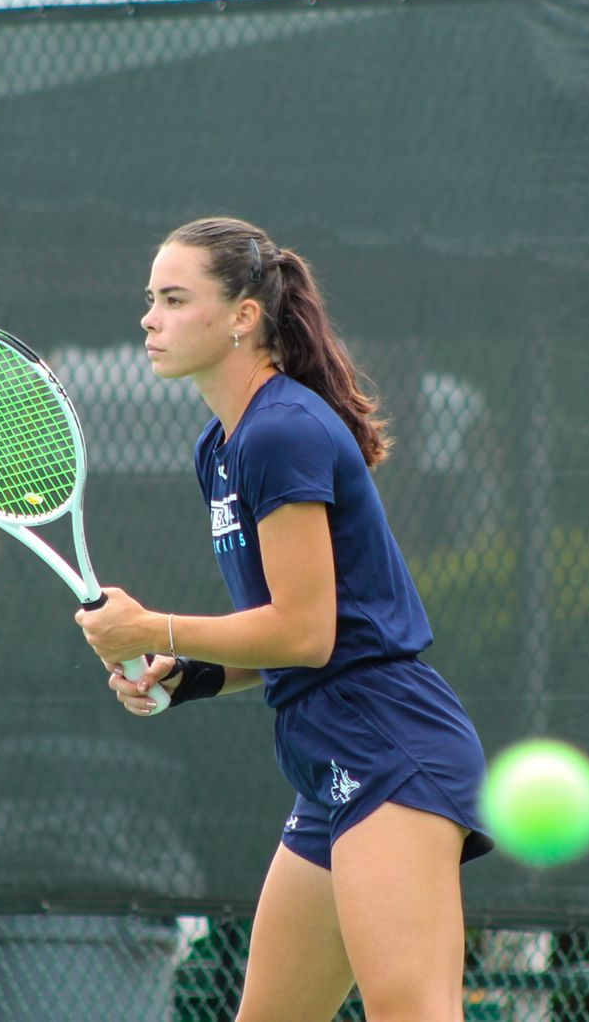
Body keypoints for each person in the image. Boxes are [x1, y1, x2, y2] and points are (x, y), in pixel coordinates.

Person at [74, 216, 493, 1022]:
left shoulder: (281, 431)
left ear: (242, 317)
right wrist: (188, 676)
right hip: (325, 758)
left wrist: (151, 628)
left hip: (389, 746)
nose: (148, 318)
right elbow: (278, 633)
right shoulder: (220, 446)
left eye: (172, 298)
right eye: (149, 299)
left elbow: (308, 634)